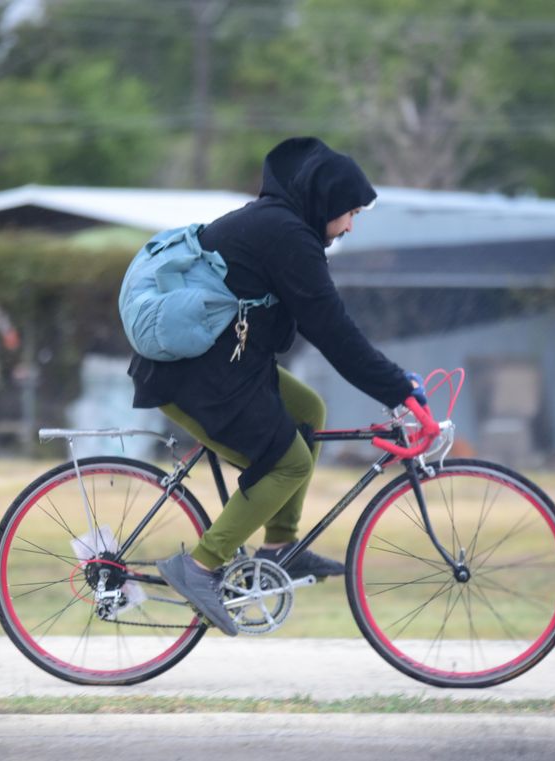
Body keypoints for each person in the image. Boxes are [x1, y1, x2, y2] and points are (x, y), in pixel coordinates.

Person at [129, 136, 426, 636]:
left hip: (223, 363)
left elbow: (317, 325)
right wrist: (399, 388)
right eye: (350, 211)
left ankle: (279, 548)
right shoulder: (285, 234)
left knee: (306, 410)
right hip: (192, 374)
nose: (351, 224)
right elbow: (333, 331)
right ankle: (200, 566)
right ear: (325, 202)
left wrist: (394, 384)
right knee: (289, 463)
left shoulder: (287, 227)